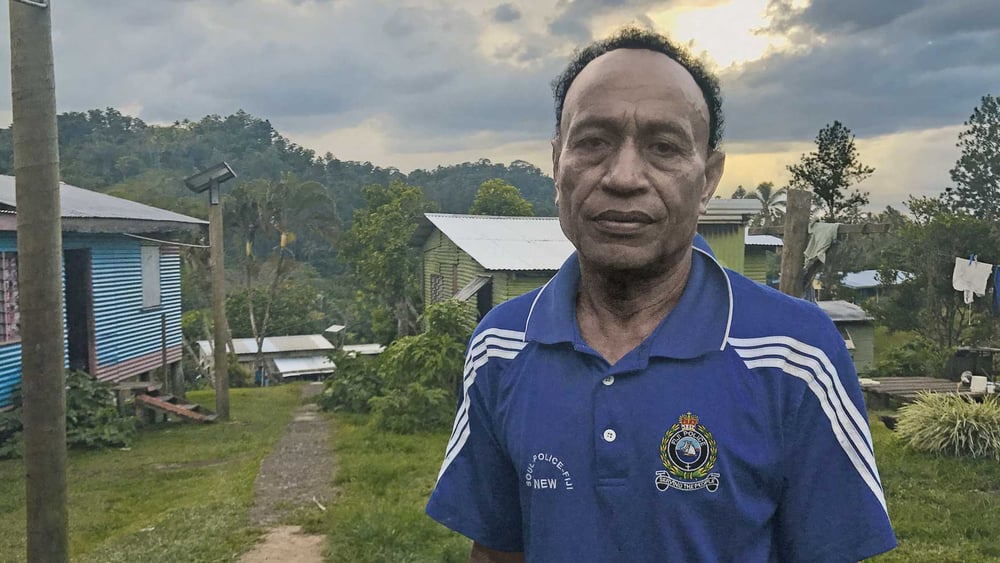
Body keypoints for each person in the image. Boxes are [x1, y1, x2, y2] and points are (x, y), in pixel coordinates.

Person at [426, 27, 896, 562]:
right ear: (558, 161)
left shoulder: (797, 354)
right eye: (593, 142)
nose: (624, 177)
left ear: (709, 178)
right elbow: (496, 550)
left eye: (664, 147)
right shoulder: (500, 347)